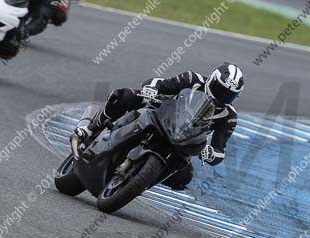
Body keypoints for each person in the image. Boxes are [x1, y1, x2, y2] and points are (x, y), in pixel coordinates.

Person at [74, 63, 245, 190]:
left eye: (229, 95)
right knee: (124, 96)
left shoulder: (228, 117)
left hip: (182, 142)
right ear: (211, 80)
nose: (222, 97)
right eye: (219, 89)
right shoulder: (192, 79)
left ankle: (140, 181)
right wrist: (151, 89)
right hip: (159, 115)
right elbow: (159, 82)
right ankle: (91, 129)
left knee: (185, 177)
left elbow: (219, 150)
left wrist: (211, 153)